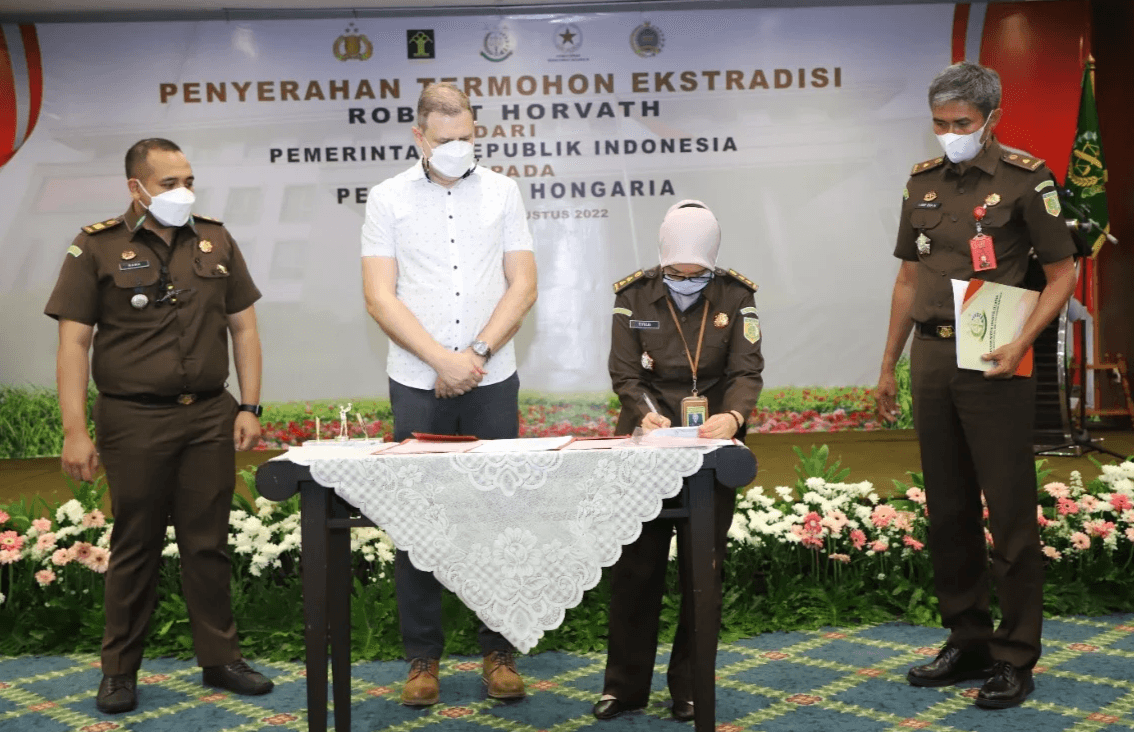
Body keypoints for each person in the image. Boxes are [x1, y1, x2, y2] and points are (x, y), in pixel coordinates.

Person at [45, 138, 274, 714]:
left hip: (209, 415)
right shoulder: (95, 246)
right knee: (135, 544)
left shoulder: (215, 239)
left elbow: (244, 328)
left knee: (207, 543)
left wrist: (249, 406)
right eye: (169, 183)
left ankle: (220, 659)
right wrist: (75, 430)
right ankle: (119, 671)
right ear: (136, 187)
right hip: (133, 418)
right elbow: (73, 344)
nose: (183, 192)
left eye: (188, 180)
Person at [875, 62, 1077, 709]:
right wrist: (888, 364)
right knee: (949, 510)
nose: (949, 133)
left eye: (961, 122)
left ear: (992, 118)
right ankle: (967, 639)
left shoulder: (1025, 178)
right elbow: (908, 278)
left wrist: (1023, 341)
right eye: (939, 122)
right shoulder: (922, 183)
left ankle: (1015, 656)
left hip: (996, 355)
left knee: (1009, 512)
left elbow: (1063, 273)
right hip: (933, 357)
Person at [360, 82, 538, 706]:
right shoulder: (387, 198)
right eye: (445, 139)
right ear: (419, 137)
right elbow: (379, 296)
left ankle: (498, 652)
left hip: (492, 377)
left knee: (499, 517)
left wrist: (475, 356)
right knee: (420, 522)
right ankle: (422, 660)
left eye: (466, 136)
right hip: (417, 382)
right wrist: (441, 360)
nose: (459, 147)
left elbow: (523, 285)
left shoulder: (504, 192)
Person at [594, 200, 764, 721]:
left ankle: (690, 687)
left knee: (701, 574)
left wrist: (733, 417)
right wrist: (645, 414)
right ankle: (624, 688)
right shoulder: (632, 295)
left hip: (710, 446)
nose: (686, 282)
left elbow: (746, 370)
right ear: (662, 260)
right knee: (635, 571)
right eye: (676, 274)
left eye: (696, 275)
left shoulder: (736, 296)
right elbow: (626, 375)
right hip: (647, 443)